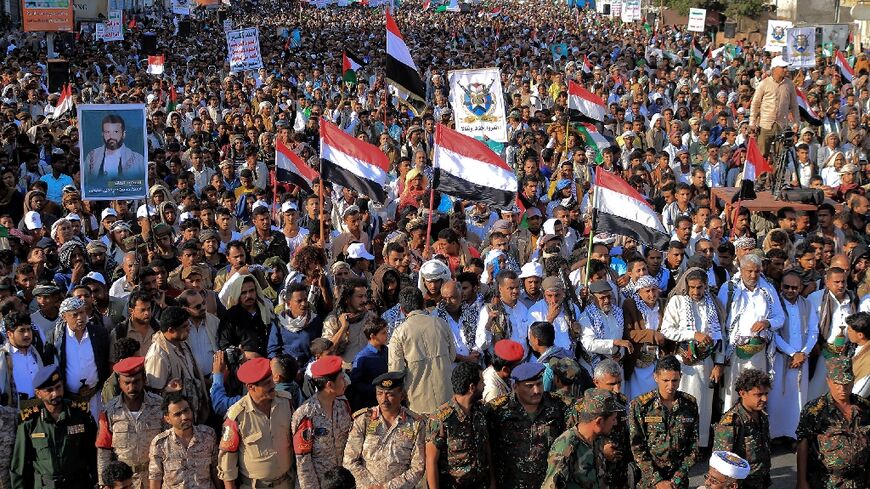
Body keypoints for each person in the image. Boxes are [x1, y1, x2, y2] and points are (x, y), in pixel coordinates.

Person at [660, 268, 724, 448]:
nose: (696, 292)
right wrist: (692, 334)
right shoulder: (677, 302)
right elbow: (666, 330)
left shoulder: (713, 304)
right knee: (682, 404)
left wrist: (719, 362)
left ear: (706, 286)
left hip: (707, 364)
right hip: (683, 364)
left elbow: (721, 336)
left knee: (703, 407)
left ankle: (699, 445)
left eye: (700, 287)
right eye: (692, 288)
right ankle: (680, 444)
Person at [11, 364, 98, 489]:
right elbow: (19, 467)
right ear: (38, 393)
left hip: (78, 484)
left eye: (58, 387)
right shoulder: (30, 422)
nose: (55, 393)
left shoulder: (80, 415)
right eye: (49, 390)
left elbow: (93, 454)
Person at [717, 254, 784, 410]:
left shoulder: (767, 289)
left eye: (757, 271)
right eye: (749, 271)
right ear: (740, 270)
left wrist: (767, 323)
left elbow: (780, 317)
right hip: (734, 351)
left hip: (758, 352)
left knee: (756, 392)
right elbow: (720, 321)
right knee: (733, 392)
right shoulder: (729, 288)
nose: (753, 275)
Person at [217, 357, 296, 488]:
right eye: (266, 383)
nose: (272, 386)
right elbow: (227, 464)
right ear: (251, 387)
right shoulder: (236, 416)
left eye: (271, 380)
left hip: (286, 483)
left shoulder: (285, 402)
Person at [486, 362, 567, 489]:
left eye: (539, 384)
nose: (536, 391)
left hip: (547, 484)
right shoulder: (498, 410)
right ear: (515, 386)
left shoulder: (558, 405)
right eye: (529, 386)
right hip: (510, 483)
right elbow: (487, 446)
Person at [796, 356, 870, 489]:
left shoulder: (864, 406)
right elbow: (803, 443)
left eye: (846, 383)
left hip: (859, 481)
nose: (842, 389)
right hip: (827, 482)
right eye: (837, 383)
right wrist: (801, 481)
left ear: (853, 381)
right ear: (828, 381)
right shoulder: (815, 410)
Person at [343, 371, 426, 488]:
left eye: (390, 394)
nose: (384, 399)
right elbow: (349, 460)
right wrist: (371, 486)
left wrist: (388, 487)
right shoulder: (364, 420)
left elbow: (418, 467)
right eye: (380, 394)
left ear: (402, 395)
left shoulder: (415, 423)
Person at [629, 355, 699, 489]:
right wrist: (658, 481)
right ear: (656, 377)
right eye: (665, 380)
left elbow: (693, 447)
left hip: (679, 481)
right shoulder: (640, 405)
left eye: (675, 380)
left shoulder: (689, 404)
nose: (670, 386)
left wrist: (676, 480)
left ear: (681, 377)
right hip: (650, 481)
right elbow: (637, 448)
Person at [95, 357, 164, 489]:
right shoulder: (110, 411)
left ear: (144, 379)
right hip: (124, 482)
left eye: (136, 381)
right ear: (119, 383)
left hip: (155, 479)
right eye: (126, 383)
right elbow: (104, 450)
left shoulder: (159, 405)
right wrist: (104, 484)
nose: (131, 387)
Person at [425, 361, 493, 489]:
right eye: (482, 382)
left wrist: (492, 482)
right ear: (472, 387)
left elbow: (486, 447)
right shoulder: (440, 419)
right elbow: (431, 461)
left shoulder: (480, 411)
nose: (484, 385)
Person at [388, 286, 455, 414]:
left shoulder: (399, 333)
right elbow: (452, 356)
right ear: (423, 303)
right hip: (447, 397)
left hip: (418, 403)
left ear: (402, 309)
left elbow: (395, 371)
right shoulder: (441, 324)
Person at [292, 355, 354, 489]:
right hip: (318, 483)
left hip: (341, 482)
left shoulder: (343, 405)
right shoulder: (306, 414)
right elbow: (303, 460)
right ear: (330, 385)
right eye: (342, 379)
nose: (346, 382)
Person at [769, 270, 818, 440]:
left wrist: (803, 353)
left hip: (801, 360)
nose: (790, 290)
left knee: (797, 399)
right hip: (781, 360)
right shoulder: (775, 305)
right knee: (777, 397)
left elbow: (813, 331)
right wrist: (792, 353)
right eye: (786, 287)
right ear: (781, 286)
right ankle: (774, 436)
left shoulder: (807, 304)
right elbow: (773, 334)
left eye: (794, 287)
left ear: (801, 287)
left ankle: (794, 436)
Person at [44, 296, 111, 419]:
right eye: (75, 315)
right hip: (69, 400)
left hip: (96, 396)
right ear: (64, 317)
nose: (80, 318)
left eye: (82, 312)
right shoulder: (55, 338)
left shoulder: (99, 333)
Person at [541, 388, 623, 489]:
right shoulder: (566, 447)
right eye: (613, 419)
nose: (615, 423)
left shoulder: (597, 441)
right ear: (599, 422)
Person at [144, 306, 209, 422]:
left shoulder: (182, 343)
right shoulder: (158, 355)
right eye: (184, 327)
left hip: (193, 416)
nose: (189, 329)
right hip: (176, 421)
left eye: (188, 325)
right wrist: (167, 390)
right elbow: (154, 397)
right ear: (170, 330)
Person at [712, 369, 772, 489]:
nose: (765, 399)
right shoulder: (731, 422)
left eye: (766, 394)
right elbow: (721, 465)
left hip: (761, 481)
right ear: (742, 393)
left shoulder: (761, 415)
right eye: (759, 395)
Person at [148, 392, 218, 489]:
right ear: (167, 419)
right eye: (177, 414)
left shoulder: (208, 436)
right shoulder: (160, 443)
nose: (185, 417)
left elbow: (216, 470)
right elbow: (155, 478)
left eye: (186, 411)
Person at [748, 56, 800, 157]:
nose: (786, 70)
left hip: (782, 125)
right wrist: (752, 122)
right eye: (783, 67)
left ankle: (777, 173)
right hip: (765, 124)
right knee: (762, 155)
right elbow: (755, 103)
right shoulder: (764, 83)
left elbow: (794, 105)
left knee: (781, 156)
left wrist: (796, 122)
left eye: (786, 67)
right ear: (775, 68)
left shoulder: (789, 85)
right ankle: (761, 173)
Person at [0, 311, 44, 407]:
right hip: (15, 411)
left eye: (29, 329)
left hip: (39, 407)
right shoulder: (4, 356)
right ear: (9, 334)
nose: (27, 334)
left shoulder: (35, 353)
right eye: (22, 330)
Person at [83, 114, 146, 180]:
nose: (111, 136)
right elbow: (86, 182)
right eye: (107, 132)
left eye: (116, 132)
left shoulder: (138, 159)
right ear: (102, 134)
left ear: (123, 134)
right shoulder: (92, 157)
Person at [849, 312, 870, 398]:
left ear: (860, 335)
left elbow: (860, 393)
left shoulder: (867, 359)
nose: (848, 333)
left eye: (850, 331)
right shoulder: (854, 347)